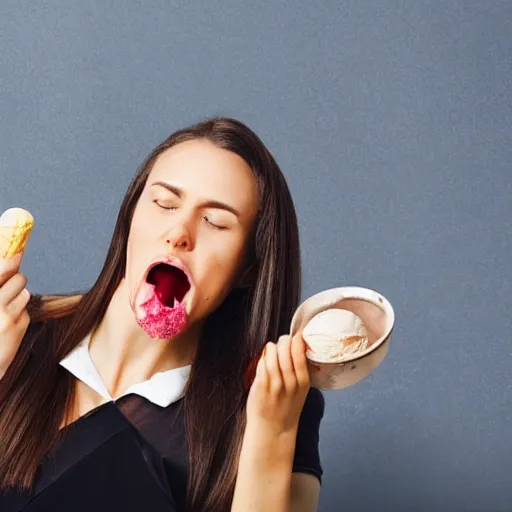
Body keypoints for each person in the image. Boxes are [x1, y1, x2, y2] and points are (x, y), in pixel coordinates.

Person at [0, 117, 325, 512]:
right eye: (164, 203)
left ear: (249, 268)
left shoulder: (273, 405)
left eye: (215, 222)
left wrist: (273, 434)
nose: (179, 232)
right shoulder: (16, 335)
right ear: (131, 216)